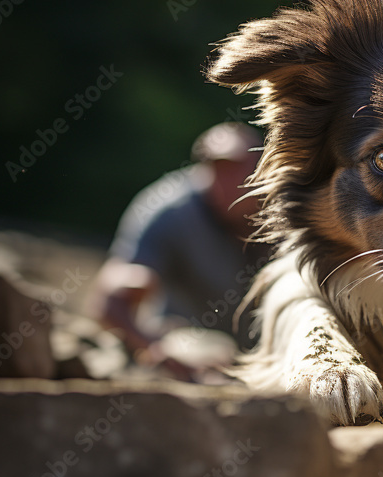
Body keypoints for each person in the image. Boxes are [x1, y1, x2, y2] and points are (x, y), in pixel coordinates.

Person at [88, 123, 270, 380]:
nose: (228, 182)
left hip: (271, 350)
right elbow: (110, 295)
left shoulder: (291, 207)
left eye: (237, 169)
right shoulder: (168, 211)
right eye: (217, 169)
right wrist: (151, 347)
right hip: (191, 348)